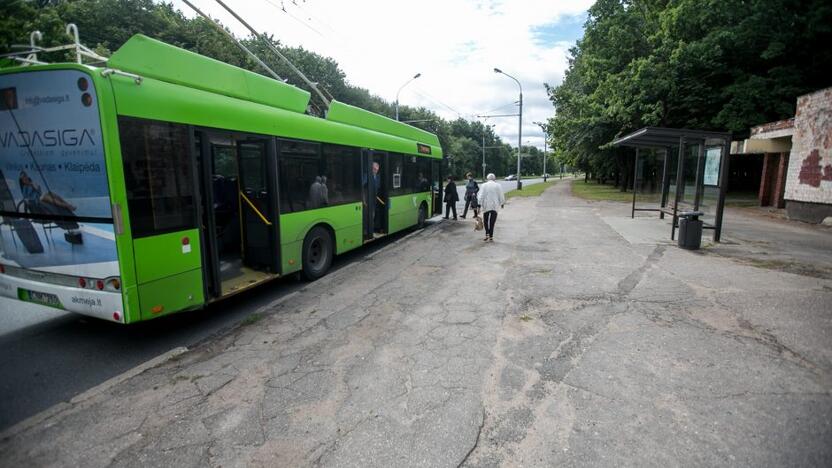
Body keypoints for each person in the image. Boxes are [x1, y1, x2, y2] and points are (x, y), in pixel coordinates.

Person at [477, 173, 505, 242]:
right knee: (492, 222)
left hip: (486, 206)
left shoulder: (484, 185)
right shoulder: (498, 185)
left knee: (486, 221)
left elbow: (481, 196)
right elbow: (501, 194)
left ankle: (487, 234)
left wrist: (479, 205)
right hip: (495, 206)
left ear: (487, 178)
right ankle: (491, 236)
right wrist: (502, 203)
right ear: (494, 178)